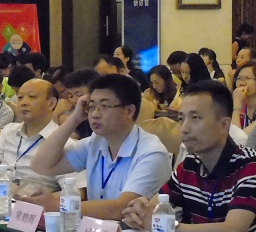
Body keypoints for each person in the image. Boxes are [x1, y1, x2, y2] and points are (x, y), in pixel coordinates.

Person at [122, 80, 256, 232]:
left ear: (224, 125)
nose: (184, 129)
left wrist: (165, 225)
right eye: (181, 119)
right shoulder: (189, 166)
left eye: (195, 118)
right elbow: (154, 207)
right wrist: (139, 213)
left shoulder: (252, 166)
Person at [32, 74, 172, 219]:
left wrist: (58, 206)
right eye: (91, 107)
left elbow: (122, 208)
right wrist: (75, 118)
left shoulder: (152, 153)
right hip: (96, 230)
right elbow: (41, 166)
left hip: (134, 231)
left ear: (129, 111)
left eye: (104, 106)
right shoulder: (96, 142)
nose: (95, 114)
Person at [0, 79, 64, 197]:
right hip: (3, 200)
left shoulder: (63, 143)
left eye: (32, 97)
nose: (23, 102)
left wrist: (33, 199)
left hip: (37, 206)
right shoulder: (9, 131)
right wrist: (15, 190)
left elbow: (76, 192)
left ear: (51, 103)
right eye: (20, 97)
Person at [54, 68, 99, 137]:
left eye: (79, 95)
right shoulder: (82, 118)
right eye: (71, 96)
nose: (74, 100)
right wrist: (56, 114)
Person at [231, 61, 256, 132]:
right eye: (239, 78)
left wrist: (236, 109)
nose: (242, 83)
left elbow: (238, 137)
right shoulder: (238, 104)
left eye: (248, 78)